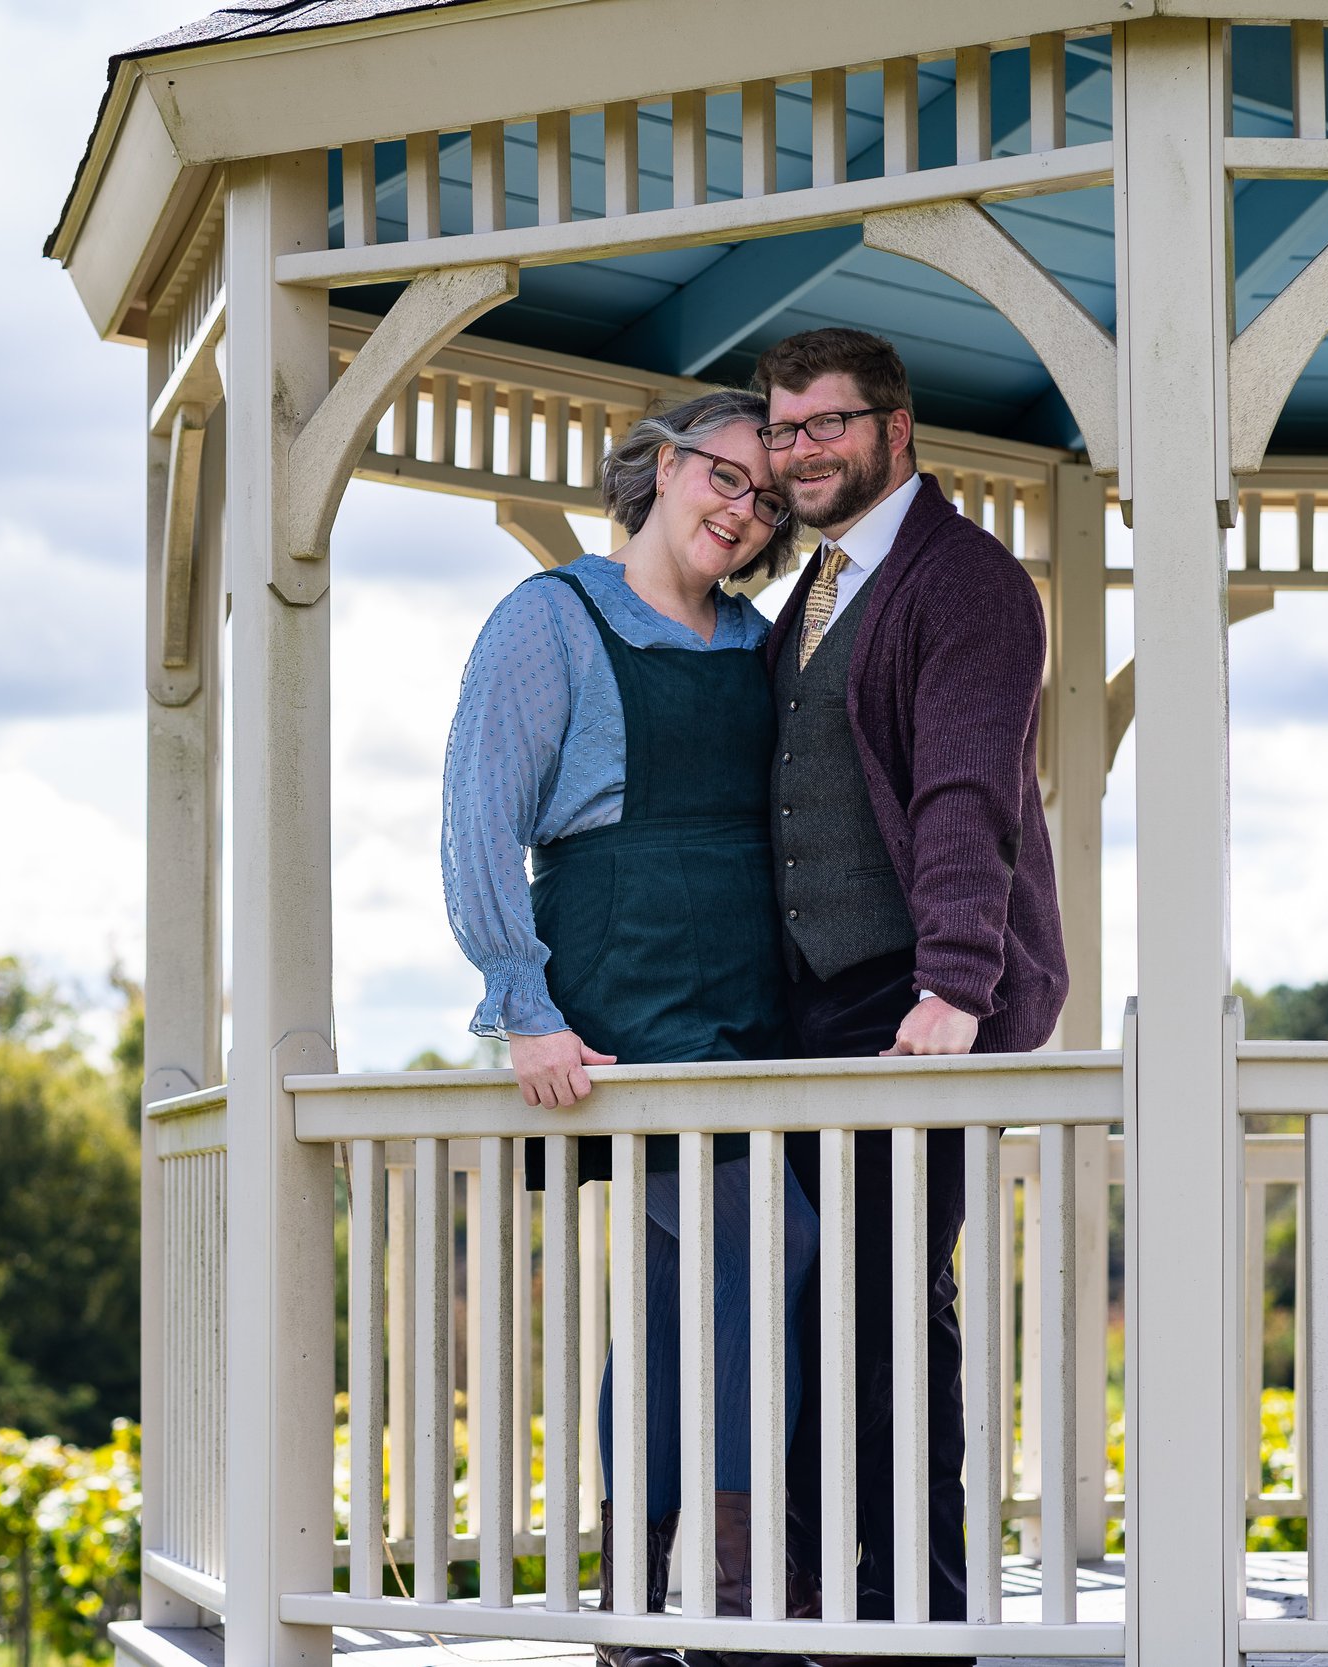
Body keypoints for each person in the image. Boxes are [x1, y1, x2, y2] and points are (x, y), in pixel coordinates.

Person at [441, 389, 816, 1667]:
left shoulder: (755, 639)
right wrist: (523, 1005)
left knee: (677, 1291)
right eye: (725, 477)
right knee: (765, 1243)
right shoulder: (549, 618)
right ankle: (710, 1579)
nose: (743, 511)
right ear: (659, 467)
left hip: (747, 998)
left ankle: (642, 1601)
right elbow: (477, 818)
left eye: (768, 502)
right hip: (623, 993)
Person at [752, 328, 1068, 1667]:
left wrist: (950, 984)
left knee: (888, 1302)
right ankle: (834, 1599)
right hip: (816, 1002)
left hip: (919, 996)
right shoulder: (808, 593)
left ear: (900, 429)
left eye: (830, 423)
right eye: (784, 428)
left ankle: (921, 1620)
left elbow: (964, 793)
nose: (803, 449)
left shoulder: (968, 584)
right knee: (816, 1304)